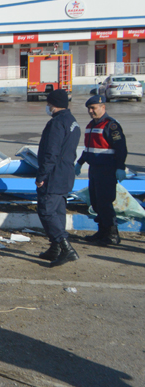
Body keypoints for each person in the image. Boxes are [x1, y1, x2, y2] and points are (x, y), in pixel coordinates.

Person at [35, 89, 81, 266]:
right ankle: (55, 248)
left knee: (46, 210)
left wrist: (42, 175)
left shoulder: (56, 123)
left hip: (53, 174)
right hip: (66, 174)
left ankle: (66, 247)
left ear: (52, 104)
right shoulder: (72, 122)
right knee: (59, 211)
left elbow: (51, 153)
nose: (47, 107)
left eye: (48, 104)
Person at [75, 94, 127, 245]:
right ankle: (102, 231)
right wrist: (80, 162)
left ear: (103, 107)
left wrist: (120, 167)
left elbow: (121, 148)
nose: (91, 111)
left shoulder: (111, 125)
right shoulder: (91, 125)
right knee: (96, 202)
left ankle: (112, 235)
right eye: (89, 109)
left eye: (93, 108)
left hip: (107, 169)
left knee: (105, 202)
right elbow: (89, 149)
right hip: (94, 169)